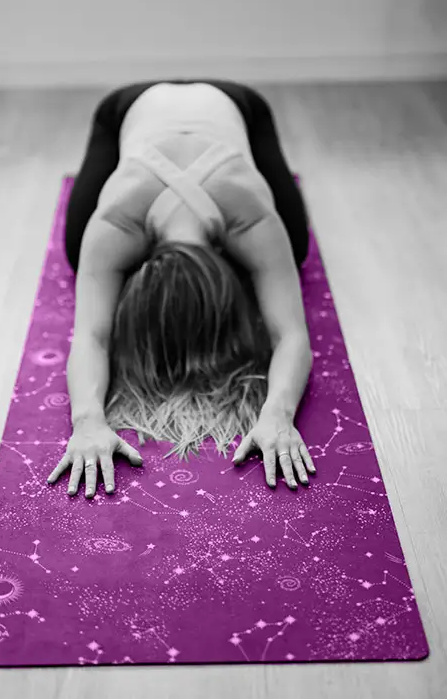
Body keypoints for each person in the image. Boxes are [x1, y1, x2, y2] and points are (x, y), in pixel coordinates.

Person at [47, 79, 317, 501]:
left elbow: (293, 336)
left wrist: (278, 414)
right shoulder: (116, 222)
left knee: (295, 250)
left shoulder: (250, 215)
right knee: (77, 250)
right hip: (129, 110)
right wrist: (87, 421)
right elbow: (91, 337)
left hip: (236, 106)